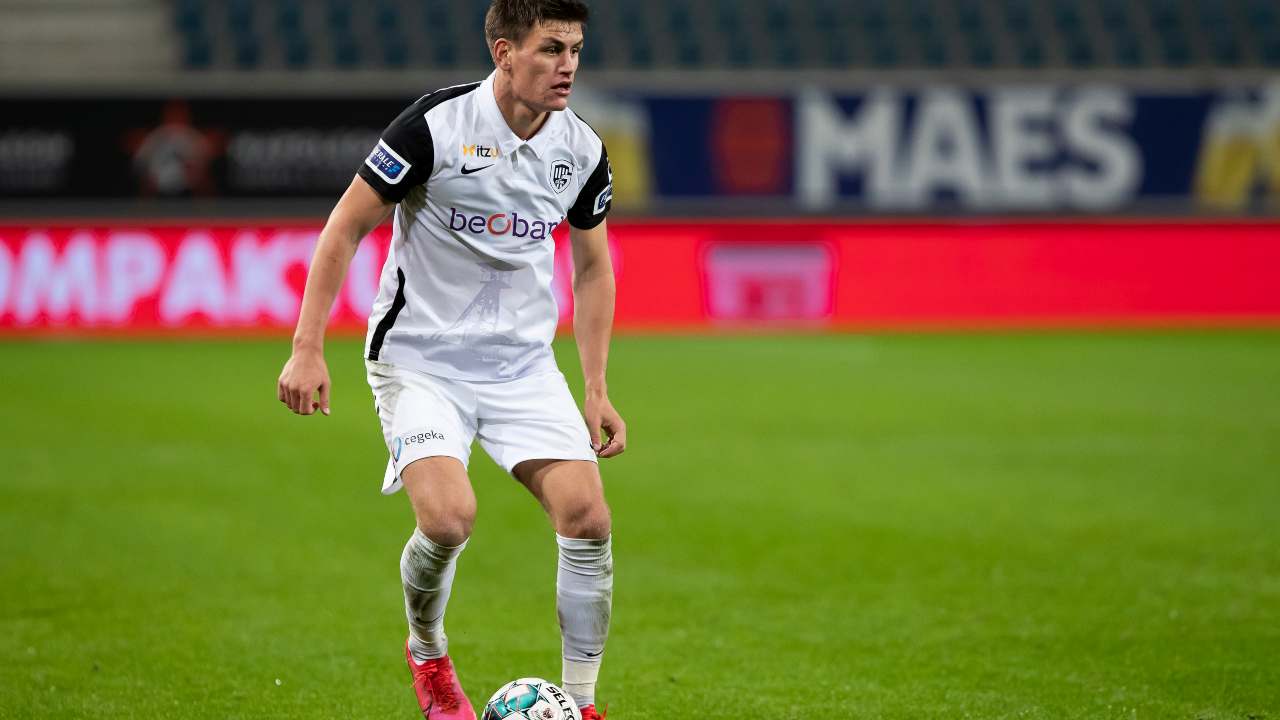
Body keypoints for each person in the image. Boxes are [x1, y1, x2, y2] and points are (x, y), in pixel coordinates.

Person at [276, 2, 623, 718]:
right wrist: (307, 347)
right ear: (504, 51)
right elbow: (345, 227)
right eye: (551, 48)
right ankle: (428, 656)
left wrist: (595, 387)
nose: (568, 67)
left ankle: (585, 706)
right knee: (447, 520)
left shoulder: (582, 150)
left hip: (522, 366)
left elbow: (593, 268)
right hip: (420, 361)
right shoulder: (434, 128)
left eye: (576, 50)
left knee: (587, 518)